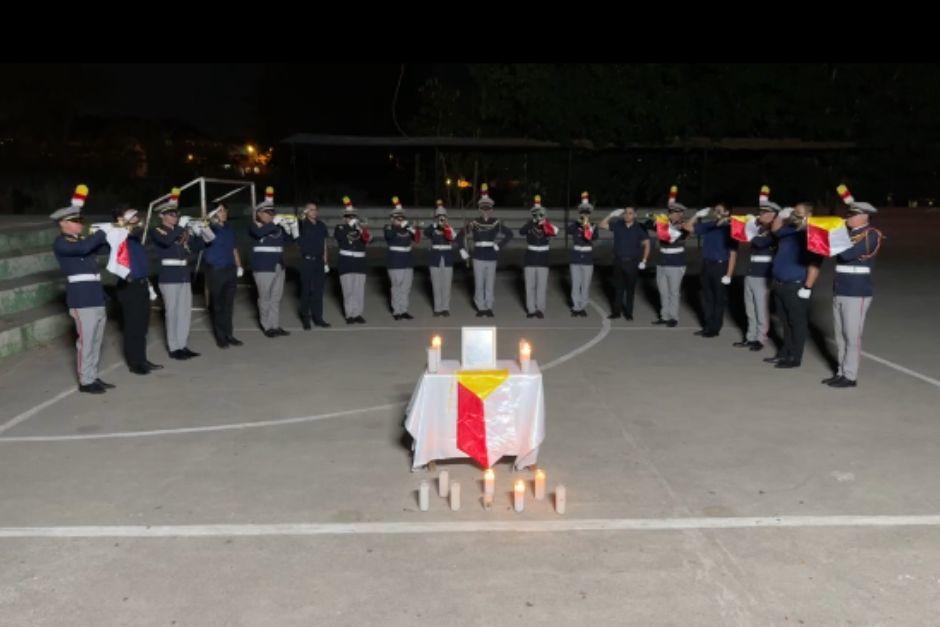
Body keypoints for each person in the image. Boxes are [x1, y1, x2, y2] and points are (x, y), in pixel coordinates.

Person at [50, 184, 114, 394]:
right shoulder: (61, 243)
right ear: (63, 223)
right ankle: (86, 381)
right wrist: (101, 232)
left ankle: (93, 375)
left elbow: (104, 247)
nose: (80, 224)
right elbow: (84, 248)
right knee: (85, 342)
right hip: (81, 298)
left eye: (80, 220)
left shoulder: (83, 240)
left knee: (96, 341)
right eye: (76, 221)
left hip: (96, 295)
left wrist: (114, 233)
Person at [822, 187, 884, 388]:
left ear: (864, 217)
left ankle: (850, 375)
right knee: (840, 336)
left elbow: (847, 254)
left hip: (857, 292)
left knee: (851, 336)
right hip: (840, 289)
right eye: (848, 214)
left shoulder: (871, 234)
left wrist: (838, 235)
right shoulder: (848, 234)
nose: (847, 217)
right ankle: (841, 372)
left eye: (852, 215)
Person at [149, 187, 209, 360]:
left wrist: (203, 231)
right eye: (170, 214)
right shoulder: (158, 231)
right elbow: (167, 242)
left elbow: (198, 247)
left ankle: (182, 344)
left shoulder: (181, 231)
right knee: (172, 312)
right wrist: (181, 227)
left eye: (176, 214)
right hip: (169, 277)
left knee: (184, 312)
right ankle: (174, 347)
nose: (174, 216)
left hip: (184, 275)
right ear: (162, 216)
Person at [765, 203, 822, 368]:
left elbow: (815, 264)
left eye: (798, 212)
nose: (794, 214)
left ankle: (795, 357)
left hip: (797, 285)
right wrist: (781, 215)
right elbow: (775, 230)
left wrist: (808, 287)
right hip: (780, 283)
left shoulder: (813, 234)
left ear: (809, 214)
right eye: (794, 211)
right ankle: (785, 352)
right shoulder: (790, 230)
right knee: (785, 322)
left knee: (797, 323)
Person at [113, 207, 163, 375]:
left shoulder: (135, 240)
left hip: (141, 284)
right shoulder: (119, 237)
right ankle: (134, 363)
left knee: (142, 326)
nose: (137, 220)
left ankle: (142, 359)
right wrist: (124, 225)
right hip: (129, 286)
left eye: (137, 217)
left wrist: (148, 285)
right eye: (133, 218)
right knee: (132, 326)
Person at [456, 183, 514, 317]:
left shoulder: (496, 222)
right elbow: (460, 236)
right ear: (480, 209)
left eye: (488, 209)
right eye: (483, 208)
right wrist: (462, 250)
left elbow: (509, 234)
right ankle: (480, 307)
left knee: (489, 283)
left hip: (491, 255)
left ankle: (489, 307)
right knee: (479, 283)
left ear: (492, 209)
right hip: (477, 256)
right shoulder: (474, 222)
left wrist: (499, 245)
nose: (486, 211)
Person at [733, 187, 777, 351]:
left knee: (760, 308)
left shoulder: (773, 232)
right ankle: (750, 337)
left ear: (773, 215)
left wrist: (751, 226)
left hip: (763, 275)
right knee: (749, 307)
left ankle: (760, 338)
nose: (762, 215)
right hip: (751, 272)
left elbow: (760, 243)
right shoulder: (760, 229)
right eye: (761, 212)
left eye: (766, 213)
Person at [249, 187, 296, 337]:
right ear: (259, 213)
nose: (271, 215)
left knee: (276, 297)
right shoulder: (255, 226)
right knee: (265, 298)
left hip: (278, 265)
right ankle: (266, 326)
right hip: (263, 267)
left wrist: (293, 228)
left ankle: (275, 325)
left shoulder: (277, 228)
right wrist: (274, 223)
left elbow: (291, 240)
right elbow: (258, 233)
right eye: (267, 212)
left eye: (272, 213)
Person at [686, 202, 738, 337]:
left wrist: (729, 274)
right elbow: (687, 227)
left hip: (721, 266)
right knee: (707, 298)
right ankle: (708, 326)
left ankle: (715, 328)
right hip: (706, 265)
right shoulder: (710, 226)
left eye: (720, 210)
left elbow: (733, 254)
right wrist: (696, 215)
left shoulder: (732, 229)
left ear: (727, 213)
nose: (716, 213)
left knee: (718, 299)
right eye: (715, 210)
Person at [204, 202, 245, 348]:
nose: (224, 213)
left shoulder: (229, 228)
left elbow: (234, 249)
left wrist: (239, 265)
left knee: (228, 305)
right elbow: (205, 237)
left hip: (230, 269)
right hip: (216, 270)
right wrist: (208, 222)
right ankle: (220, 337)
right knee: (218, 305)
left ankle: (229, 334)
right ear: (214, 213)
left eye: (225, 210)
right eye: (220, 211)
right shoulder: (208, 229)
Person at [600, 205, 650, 321]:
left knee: (630, 290)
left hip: (632, 263)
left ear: (635, 215)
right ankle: (616, 312)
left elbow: (647, 244)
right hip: (618, 261)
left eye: (630, 213)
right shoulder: (617, 225)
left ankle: (629, 313)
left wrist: (644, 260)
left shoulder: (640, 228)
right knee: (618, 289)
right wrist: (611, 215)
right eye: (626, 213)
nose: (627, 215)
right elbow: (601, 224)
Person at [652, 186, 690, 328]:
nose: (671, 214)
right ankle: (664, 315)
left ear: (680, 214)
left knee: (674, 292)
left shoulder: (684, 226)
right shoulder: (663, 224)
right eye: (670, 212)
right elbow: (648, 224)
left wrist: (665, 224)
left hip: (676, 263)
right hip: (662, 261)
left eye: (674, 212)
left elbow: (677, 236)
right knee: (663, 291)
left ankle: (673, 317)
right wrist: (655, 220)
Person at [519, 195, 558, 318]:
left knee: (541, 286)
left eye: (540, 213)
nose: (538, 216)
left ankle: (540, 309)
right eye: (535, 214)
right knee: (529, 286)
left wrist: (544, 222)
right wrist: (532, 222)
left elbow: (555, 232)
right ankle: (531, 310)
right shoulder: (530, 225)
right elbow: (521, 231)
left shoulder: (548, 225)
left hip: (543, 259)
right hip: (530, 259)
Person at [334, 196, 371, 324]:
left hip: (360, 263)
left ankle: (358, 313)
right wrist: (350, 226)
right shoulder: (340, 228)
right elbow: (340, 237)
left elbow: (368, 240)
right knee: (348, 290)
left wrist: (360, 229)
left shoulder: (361, 229)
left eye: (353, 216)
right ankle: (349, 314)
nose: (351, 218)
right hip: (346, 262)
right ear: (344, 218)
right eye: (349, 217)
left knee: (359, 290)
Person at [384, 196, 420, 320]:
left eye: (402, 217)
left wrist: (413, 229)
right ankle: (397, 311)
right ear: (392, 219)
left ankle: (404, 309)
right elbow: (389, 236)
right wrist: (400, 226)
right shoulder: (389, 227)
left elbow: (417, 239)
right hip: (395, 261)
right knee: (397, 287)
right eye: (398, 218)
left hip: (408, 261)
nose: (400, 220)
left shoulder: (407, 229)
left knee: (406, 287)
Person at [296, 202, 331, 329]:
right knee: (306, 291)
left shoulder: (321, 225)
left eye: (316, 209)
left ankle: (318, 318)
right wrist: (301, 216)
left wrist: (326, 260)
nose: (314, 212)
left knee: (319, 291)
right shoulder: (301, 225)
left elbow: (324, 243)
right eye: (311, 210)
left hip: (319, 262)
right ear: (306, 211)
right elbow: (296, 223)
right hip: (307, 261)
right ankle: (306, 319)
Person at [566, 191, 600, 317]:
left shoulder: (593, 226)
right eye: (582, 212)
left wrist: (587, 227)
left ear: (589, 214)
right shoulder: (575, 225)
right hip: (575, 258)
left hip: (587, 258)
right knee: (575, 284)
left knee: (585, 285)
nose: (584, 214)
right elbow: (568, 230)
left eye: (586, 212)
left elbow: (594, 237)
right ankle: (576, 307)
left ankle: (583, 306)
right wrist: (577, 223)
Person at [423, 199, 456, 317]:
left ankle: (445, 307)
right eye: (439, 217)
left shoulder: (449, 228)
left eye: (443, 217)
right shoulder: (432, 228)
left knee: (446, 284)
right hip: (435, 258)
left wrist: (446, 227)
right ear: (436, 217)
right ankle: (437, 308)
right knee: (436, 284)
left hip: (447, 258)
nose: (441, 219)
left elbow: (453, 238)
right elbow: (426, 233)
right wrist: (436, 225)